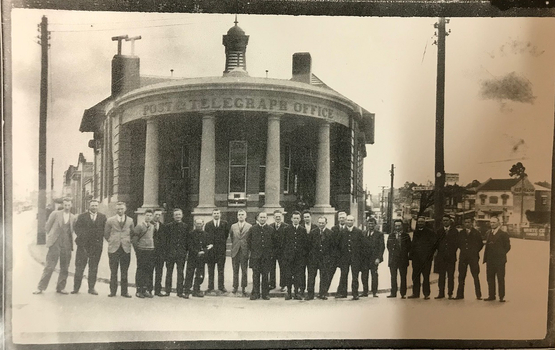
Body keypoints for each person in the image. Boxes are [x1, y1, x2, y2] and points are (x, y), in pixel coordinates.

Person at [33, 198, 77, 295]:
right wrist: (52, 237)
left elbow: (72, 230)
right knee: (49, 266)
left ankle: (60, 288)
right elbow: (47, 227)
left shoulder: (73, 217)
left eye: (68, 205)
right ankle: (40, 287)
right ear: (62, 205)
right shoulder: (55, 214)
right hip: (55, 243)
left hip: (67, 244)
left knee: (65, 267)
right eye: (65, 205)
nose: (67, 207)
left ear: (71, 205)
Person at [71, 199, 107, 295]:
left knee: (93, 267)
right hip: (83, 246)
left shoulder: (103, 217)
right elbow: (76, 228)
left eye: (96, 205)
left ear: (98, 206)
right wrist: (83, 237)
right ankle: (76, 288)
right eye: (92, 205)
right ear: (89, 206)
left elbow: (104, 230)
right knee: (79, 267)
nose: (94, 207)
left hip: (96, 247)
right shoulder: (82, 217)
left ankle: (91, 288)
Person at [103, 202, 135, 298]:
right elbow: (106, 234)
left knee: (124, 271)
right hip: (113, 248)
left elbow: (132, 233)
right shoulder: (110, 220)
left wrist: (127, 241)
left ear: (125, 209)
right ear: (115, 210)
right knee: (113, 271)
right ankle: (113, 292)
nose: (120, 211)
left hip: (125, 248)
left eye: (122, 209)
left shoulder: (130, 220)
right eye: (118, 209)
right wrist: (112, 241)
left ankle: (124, 292)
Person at [454, 217, 483, 300]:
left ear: (472, 223)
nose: (467, 224)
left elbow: (480, 244)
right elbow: (458, 243)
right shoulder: (461, 233)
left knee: (475, 276)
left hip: (473, 257)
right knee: (461, 276)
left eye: (468, 222)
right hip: (463, 257)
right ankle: (460, 294)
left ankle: (478, 295)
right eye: (465, 222)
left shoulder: (476, 233)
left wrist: (474, 251)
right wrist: (464, 249)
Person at [483, 216, 511, 302]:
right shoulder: (488, 233)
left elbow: (507, 247)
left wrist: (501, 254)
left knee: (500, 278)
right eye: (491, 222)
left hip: (499, 261)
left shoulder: (503, 234)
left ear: (498, 223)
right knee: (490, 278)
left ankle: (501, 296)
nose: (492, 224)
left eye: (494, 222)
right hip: (490, 260)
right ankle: (491, 295)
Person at [247, 212, 274, 300]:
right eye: (261, 217)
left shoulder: (270, 229)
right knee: (255, 276)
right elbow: (248, 241)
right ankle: (255, 293)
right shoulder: (253, 229)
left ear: (267, 218)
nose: (262, 219)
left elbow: (274, 243)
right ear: (258, 218)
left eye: (264, 217)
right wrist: (253, 252)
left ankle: (265, 294)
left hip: (266, 257)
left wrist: (270, 254)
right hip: (255, 257)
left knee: (265, 276)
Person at [282, 211, 309, 300]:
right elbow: (284, 244)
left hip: (299, 258)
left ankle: (296, 292)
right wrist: (286, 256)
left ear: (300, 219)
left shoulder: (303, 230)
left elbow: (305, 245)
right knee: (288, 275)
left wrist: (303, 256)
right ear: (291, 219)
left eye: (297, 218)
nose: (296, 220)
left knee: (298, 275)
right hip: (289, 257)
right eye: (294, 218)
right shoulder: (286, 229)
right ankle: (289, 292)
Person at [184, 218, 212, 298]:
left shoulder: (206, 234)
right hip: (192, 257)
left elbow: (209, 245)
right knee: (189, 274)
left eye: (200, 224)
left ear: (203, 224)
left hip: (202, 258)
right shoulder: (190, 234)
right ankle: (187, 291)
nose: (199, 225)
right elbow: (189, 245)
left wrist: (204, 251)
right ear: (195, 224)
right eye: (197, 224)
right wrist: (197, 252)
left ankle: (196, 290)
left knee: (200, 274)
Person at [306, 216, 334, 300]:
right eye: (319, 223)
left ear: (326, 223)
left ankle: (323, 293)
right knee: (311, 277)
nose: (321, 224)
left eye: (323, 223)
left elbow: (333, 247)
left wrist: (329, 258)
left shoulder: (330, 233)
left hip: (325, 259)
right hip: (314, 259)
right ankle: (310, 294)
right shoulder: (313, 232)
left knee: (324, 276)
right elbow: (309, 246)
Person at [408, 216, 435, 299]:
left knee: (426, 276)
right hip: (416, 259)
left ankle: (426, 294)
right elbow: (413, 244)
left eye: (422, 222)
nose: (420, 223)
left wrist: (430, 256)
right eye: (419, 222)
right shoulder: (415, 232)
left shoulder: (430, 232)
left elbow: (433, 245)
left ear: (425, 223)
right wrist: (411, 255)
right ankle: (415, 293)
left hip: (426, 259)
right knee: (415, 276)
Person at [337, 215, 364, 300]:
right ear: (345, 221)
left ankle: (355, 293)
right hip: (344, 258)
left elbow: (363, 245)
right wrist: (340, 257)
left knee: (355, 276)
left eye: (351, 220)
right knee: (343, 275)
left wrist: (360, 257)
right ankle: (343, 293)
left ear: (354, 221)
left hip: (355, 258)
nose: (349, 222)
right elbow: (338, 245)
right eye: (348, 220)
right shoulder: (342, 232)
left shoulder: (358, 232)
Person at [204, 208, 230, 294]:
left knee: (221, 270)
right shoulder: (208, 225)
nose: (216, 215)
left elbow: (226, 235)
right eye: (214, 213)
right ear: (212, 215)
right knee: (210, 269)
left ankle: (221, 287)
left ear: (220, 214)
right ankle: (210, 287)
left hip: (221, 251)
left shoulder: (225, 223)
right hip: (211, 251)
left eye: (217, 213)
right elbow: (206, 237)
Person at [433, 215, 459, 299]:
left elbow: (457, 243)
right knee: (441, 276)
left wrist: (452, 251)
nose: (445, 222)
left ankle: (450, 293)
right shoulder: (439, 231)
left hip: (451, 257)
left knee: (451, 276)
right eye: (444, 220)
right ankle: (441, 293)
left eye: (447, 220)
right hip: (441, 258)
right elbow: (436, 244)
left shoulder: (455, 231)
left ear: (450, 221)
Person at [131, 209, 155, 298]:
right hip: (141, 250)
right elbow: (134, 239)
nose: (148, 217)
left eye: (150, 215)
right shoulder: (139, 226)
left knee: (148, 270)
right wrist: (137, 250)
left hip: (150, 250)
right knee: (141, 269)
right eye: (147, 215)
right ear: (144, 216)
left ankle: (145, 289)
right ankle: (138, 290)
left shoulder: (152, 226)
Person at [165, 208, 188, 298]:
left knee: (180, 273)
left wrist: (185, 252)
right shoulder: (168, 226)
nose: (178, 216)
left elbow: (187, 241)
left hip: (181, 253)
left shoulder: (186, 226)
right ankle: (167, 291)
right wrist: (167, 253)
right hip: (170, 253)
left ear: (182, 215)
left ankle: (179, 291)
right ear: (173, 216)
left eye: (179, 214)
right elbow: (166, 241)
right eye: (176, 215)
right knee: (169, 272)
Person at [229, 209, 252, 296]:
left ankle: (243, 287)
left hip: (244, 250)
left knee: (244, 270)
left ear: (245, 216)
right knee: (235, 270)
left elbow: (250, 239)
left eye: (242, 214)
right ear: (237, 216)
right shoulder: (233, 226)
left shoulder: (249, 226)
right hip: (235, 250)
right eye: (239, 214)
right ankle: (235, 286)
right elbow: (232, 237)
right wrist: (236, 245)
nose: (241, 216)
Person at [387, 219, 411, 299]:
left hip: (403, 259)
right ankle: (393, 293)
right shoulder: (391, 235)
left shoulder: (406, 236)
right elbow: (388, 247)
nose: (397, 227)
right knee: (393, 277)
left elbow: (409, 247)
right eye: (396, 226)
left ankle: (403, 293)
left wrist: (403, 253)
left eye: (399, 226)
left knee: (403, 277)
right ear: (394, 226)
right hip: (393, 259)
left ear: (402, 226)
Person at [361, 217, 385, 297]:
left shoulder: (379, 234)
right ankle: (365, 291)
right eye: (369, 223)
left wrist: (378, 258)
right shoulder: (363, 233)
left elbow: (381, 247)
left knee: (374, 275)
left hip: (374, 259)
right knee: (364, 275)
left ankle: (374, 291)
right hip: (364, 259)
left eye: (372, 224)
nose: (370, 225)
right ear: (366, 224)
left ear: (375, 225)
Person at [270, 210, 289, 292]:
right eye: (276, 216)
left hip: (282, 251)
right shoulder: (270, 226)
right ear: (273, 217)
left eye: (279, 216)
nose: (278, 218)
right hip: (273, 251)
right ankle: (272, 284)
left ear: (282, 217)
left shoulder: (286, 227)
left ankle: (283, 285)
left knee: (283, 268)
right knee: (271, 268)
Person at [330, 211, 347, 296]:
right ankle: (324, 290)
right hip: (335, 255)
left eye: (343, 218)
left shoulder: (348, 229)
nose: (341, 220)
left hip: (345, 256)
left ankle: (341, 291)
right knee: (330, 273)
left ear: (346, 219)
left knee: (344, 275)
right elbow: (332, 242)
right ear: (338, 219)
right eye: (340, 218)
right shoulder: (334, 229)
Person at [152, 209, 168, 297]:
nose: (158, 216)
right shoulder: (149, 225)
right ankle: (149, 289)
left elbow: (165, 240)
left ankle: (158, 290)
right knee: (149, 271)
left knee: (159, 272)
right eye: (156, 214)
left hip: (160, 253)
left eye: (159, 215)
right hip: (150, 252)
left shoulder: (163, 226)